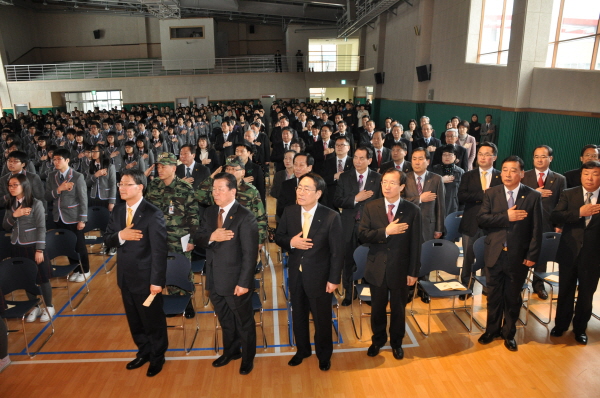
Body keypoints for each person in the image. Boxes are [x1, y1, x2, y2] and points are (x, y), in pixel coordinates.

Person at [275, 172, 343, 371]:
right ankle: (302, 350)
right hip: (296, 274)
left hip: (321, 277)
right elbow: (279, 236)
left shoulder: (331, 217)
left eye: (307, 189)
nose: (301, 192)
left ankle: (324, 355)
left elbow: (337, 252)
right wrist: (291, 242)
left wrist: (334, 279)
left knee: (322, 319)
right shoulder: (290, 211)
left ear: (318, 193)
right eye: (299, 187)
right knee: (298, 316)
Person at [103, 169, 168, 377]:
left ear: (140, 187)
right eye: (120, 184)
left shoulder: (152, 213)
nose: (121, 188)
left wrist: (157, 281)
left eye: (126, 184)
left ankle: (158, 356)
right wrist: (121, 235)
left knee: (152, 319)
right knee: (135, 320)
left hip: (147, 280)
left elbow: (159, 251)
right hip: (125, 277)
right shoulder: (118, 211)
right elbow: (107, 238)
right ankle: (144, 351)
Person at [476, 156, 542, 352]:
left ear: (522, 174)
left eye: (513, 170)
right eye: (504, 169)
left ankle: (509, 333)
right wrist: (506, 216)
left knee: (513, 297)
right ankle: (491, 330)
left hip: (518, 255)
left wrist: (532, 255)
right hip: (494, 253)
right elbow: (482, 219)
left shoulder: (532, 196)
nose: (507, 174)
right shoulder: (492, 193)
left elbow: (537, 229)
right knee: (493, 295)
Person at [195, 172, 259, 375]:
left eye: (220, 189)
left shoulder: (245, 217)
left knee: (244, 322)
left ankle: (248, 359)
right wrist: (212, 236)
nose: (215, 193)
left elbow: (250, 255)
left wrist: (244, 283)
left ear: (233, 191)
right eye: (213, 189)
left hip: (236, 281)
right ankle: (231, 352)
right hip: (214, 278)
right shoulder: (209, 212)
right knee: (225, 320)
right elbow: (200, 237)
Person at [358, 169, 421, 360]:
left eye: (392, 183)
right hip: (376, 267)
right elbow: (362, 235)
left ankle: (396, 342)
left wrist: (413, 271)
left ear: (402, 187)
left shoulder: (412, 210)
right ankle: (377, 340)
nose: (387, 186)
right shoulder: (371, 207)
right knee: (377, 308)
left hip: (400, 269)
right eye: (384, 182)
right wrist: (386, 231)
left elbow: (416, 244)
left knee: (398, 308)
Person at [550, 161, 600, 345]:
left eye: (595, 174)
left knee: (586, 294)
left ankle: (580, 329)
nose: (590, 178)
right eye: (586, 174)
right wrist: (579, 212)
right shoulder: (569, 194)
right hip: (569, 252)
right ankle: (561, 325)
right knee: (565, 291)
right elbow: (555, 216)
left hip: (594, 256)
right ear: (581, 176)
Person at [3, 174, 55, 323]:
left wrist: (40, 250)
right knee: (27, 278)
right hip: (17, 245)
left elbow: (41, 227)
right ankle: (35, 305)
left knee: (42, 277)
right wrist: (14, 215)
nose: (11, 188)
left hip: (33, 245)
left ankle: (49, 306)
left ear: (24, 186)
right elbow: (5, 225)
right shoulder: (10, 203)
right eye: (10, 185)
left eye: (15, 185)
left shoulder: (36, 203)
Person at [333, 146, 381, 305]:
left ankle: (367, 291)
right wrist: (355, 198)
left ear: (369, 160)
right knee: (348, 260)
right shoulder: (344, 177)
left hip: (370, 227)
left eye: (362, 158)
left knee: (370, 259)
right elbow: (337, 200)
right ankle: (349, 292)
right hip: (348, 225)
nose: (357, 161)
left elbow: (382, 203)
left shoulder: (378, 178)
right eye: (355, 157)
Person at [457, 142, 502, 298]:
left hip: (492, 224)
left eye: (487, 154)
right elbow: (462, 196)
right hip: (471, 223)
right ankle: (465, 286)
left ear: (494, 157)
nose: (482, 157)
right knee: (468, 257)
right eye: (480, 154)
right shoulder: (468, 175)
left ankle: (486, 285)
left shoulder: (500, 176)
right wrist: (484, 194)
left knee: (489, 257)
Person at [522, 145, 566, 300]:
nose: (539, 160)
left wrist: (559, 225)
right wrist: (535, 192)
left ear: (550, 158)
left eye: (543, 156)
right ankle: (520, 283)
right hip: (524, 222)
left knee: (541, 255)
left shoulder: (559, 179)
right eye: (536, 156)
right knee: (523, 253)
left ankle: (538, 285)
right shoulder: (524, 176)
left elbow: (562, 204)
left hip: (547, 224)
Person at [404, 147, 445, 303]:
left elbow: (441, 206)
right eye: (414, 158)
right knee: (409, 256)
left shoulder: (436, 179)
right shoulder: (404, 177)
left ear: (428, 161)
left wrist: (439, 228)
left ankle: (424, 288)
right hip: (407, 225)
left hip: (428, 225)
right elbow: (400, 201)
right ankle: (408, 289)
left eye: (421, 159)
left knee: (425, 256)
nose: (417, 162)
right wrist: (420, 198)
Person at [45, 148, 90, 282]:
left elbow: (83, 199)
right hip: (58, 215)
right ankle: (76, 268)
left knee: (79, 245)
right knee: (67, 244)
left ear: (67, 160)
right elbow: (46, 196)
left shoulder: (77, 176)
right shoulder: (51, 176)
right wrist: (59, 189)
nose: (56, 162)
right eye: (54, 159)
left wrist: (82, 219)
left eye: (59, 159)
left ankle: (85, 270)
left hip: (74, 216)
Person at [431, 145, 464, 216]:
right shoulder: (434, 170)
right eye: (444, 155)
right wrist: (440, 180)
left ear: (455, 157)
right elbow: (428, 187)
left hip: (453, 207)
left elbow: (463, 193)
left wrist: (461, 211)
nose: (447, 157)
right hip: (436, 206)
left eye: (450, 155)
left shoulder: (460, 172)